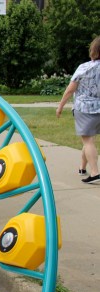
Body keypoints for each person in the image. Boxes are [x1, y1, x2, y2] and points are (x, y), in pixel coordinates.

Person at [57, 36, 100, 183]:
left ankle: (94, 172)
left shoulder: (84, 67)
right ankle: (82, 167)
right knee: (89, 140)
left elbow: (70, 90)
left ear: (93, 50)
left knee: (87, 140)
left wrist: (60, 106)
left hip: (85, 108)